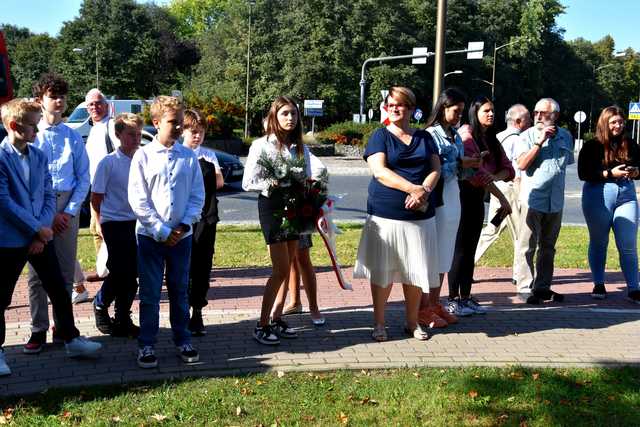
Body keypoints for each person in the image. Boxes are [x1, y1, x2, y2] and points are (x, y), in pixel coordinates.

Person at [0, 99, 101, 375]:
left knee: (58, 286)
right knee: (2, 296)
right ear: (14, 126)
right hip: (9, 240)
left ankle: (70, 338)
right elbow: (4, 202)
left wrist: (41, 233)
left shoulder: (38, 155)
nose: (37, 130)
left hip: (39, 236)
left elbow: (46, 194)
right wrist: (36, 229)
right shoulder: (0, 157)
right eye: (33, 125)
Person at [353, 86, 441, 342]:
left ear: (412, 109)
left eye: (400, 104)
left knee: (414, 271)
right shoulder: (379, 136)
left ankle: (412, 322)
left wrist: (424, 190)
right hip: (385, 216)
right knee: (382, 272)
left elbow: (436, 168)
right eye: (390, 104)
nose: (394, 108)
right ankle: (379, 323)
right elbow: (379, 171)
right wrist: (412, 188)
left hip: (420, 218)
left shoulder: (425, 137)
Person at [128, 96, 204, 368]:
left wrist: (183, 226)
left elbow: (197, 196)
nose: (179, 128)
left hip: (181, 237)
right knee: (149, 292)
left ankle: (182, 338)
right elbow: (138, 200)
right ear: (157, 123)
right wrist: (160, 229)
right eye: (174, 122)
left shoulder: (188, 157)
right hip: (150, 237)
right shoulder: (143, 156)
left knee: (179, 290)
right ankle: (147, 344)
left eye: (181, 123)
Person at [24, 73, 91, 354]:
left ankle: (63, 327)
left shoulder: (72, 137)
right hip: (37, 209)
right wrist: (42, 215)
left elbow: (83, 177)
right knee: (36, 274)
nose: (59, 101)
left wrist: (69, 211)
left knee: (64, 272)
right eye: (53, 96)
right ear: (41, 100)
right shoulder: (31, 136)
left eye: (62, 96)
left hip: (66, 210)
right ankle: (37, 328)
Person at [243, 96, 314, 345]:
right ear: (274, 116)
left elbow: (307, 177)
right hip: (272, 208)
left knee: (291, 263)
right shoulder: (261, 145)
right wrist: (271, 183)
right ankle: (261, 325)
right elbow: (247, 181)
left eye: (294, 114)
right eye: (285, 113)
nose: (290, 118)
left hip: (295, 208)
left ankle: (276, 318)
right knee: (281, 269)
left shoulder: (299, 147)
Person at [418, 88, 481, 323]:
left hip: (454, 195)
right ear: (443, 108)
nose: (459, 116)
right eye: (456, 111)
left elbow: (460, 171)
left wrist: (471, 164)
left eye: (462, 112)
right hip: (438, 197)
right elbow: (430, 168)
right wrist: (458, 162)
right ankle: (423, 306)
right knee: (433, 253)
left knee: (445, 252)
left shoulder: (455, 135)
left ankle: (435, 303)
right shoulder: (430, 135)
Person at [449, 97, 514, 314]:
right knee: (459, 249)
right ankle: (452, 299)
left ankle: (465, 297)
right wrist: (499, 193)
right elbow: (475, 174)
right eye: (486, 110)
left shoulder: (491, 140)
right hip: (462, 197)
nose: (491, 114)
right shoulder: (467, 135)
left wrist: (492, 178)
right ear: (475, 112)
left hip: (478, 199)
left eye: (493, 110)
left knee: (470, 249)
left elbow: (508, 169)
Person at [578, 106, 640, 304]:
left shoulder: (630, 143)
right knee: (599, 241)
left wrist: (636, 172)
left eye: (621, 122)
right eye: (614, 122)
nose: (618, 125)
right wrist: (608, 174)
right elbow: (583, 173)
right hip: (598, 195)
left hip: (626, 195)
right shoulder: (592, 145)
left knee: (628, 243)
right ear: (605, 123)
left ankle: (634, 288)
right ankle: (598, 283)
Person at [515, 98, 574, 304]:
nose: (538, 117)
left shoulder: (566, 136)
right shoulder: (526, 136)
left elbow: (566, 165)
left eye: (544, 113)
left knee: (548, 246)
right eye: (536, 112)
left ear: (555, 116)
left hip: (555, 201)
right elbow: (522, 164)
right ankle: (524, 287)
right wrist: (539, 142)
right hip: (533, 199)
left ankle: (542, 287)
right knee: (526, 246)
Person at [91, 113, 143, 338]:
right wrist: (99, 221)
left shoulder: (143, 159)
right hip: (114, 222)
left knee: (133, 274)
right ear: (119, 135)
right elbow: (96, 197)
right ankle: (100, 304)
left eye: (139, 134)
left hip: (137, 222)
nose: (136, 138)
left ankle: (123, 316)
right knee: (120, 270)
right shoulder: (109, 162)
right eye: (131, 134)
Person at [474, 104, 531, 284]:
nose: (530, 122)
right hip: (510, 191)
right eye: (528, 118)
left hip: (496, 189)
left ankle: (470, 263)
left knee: (492, 228)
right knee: (519, 232)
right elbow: (516, 169)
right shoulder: (517, 139)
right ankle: (519, 273)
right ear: (519, 121)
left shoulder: (497, 137)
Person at [181, 109, 224, 336]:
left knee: (203, 265)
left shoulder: (208, 155)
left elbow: (219, 181)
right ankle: (182, 311)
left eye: (201, 132)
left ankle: (197, 310)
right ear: (183, 131)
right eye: (193, 132)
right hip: (184, 218)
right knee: (183, 266)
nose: (197, 136)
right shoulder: (178, 154)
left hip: (207, 217)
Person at [273, 153, 327, 326]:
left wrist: (310, 193)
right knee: (286, 260)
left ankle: (314, 307)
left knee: (302, 258)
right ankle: (293, 302)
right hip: (277, 211)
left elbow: (320, 170)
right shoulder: (266, 146)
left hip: (298, 210)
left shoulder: (300, 147)